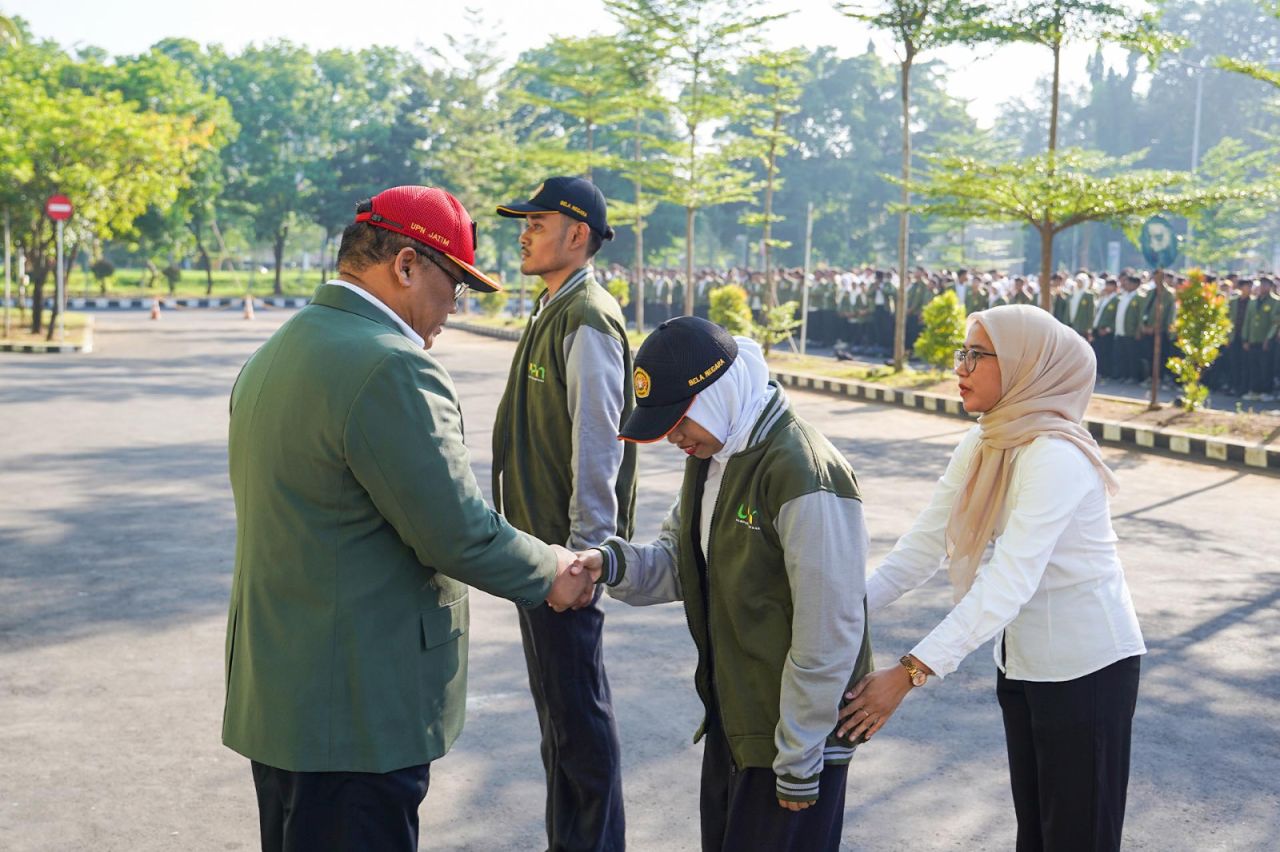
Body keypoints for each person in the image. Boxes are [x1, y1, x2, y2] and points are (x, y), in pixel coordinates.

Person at [223, 185, 593, 852]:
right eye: (453, 282)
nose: (454, 306)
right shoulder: (390, 367)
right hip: (357, 715)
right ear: (404, 265)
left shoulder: (277, 353)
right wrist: (553, 570)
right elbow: (455, 530)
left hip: (285, 700)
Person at [837, 304, 1146, 852]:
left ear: (1028, 365)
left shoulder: (1055, 454)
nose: (961, 367)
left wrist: (909, 672)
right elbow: (922, 548)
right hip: (1023, 663)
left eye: (977, 355)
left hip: (1087, 670)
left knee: (1078, 836)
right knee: (1038, 832)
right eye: (963, 353)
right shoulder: (985, 442)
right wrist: (839, 615)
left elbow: (1008, 581)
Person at [578, 316, 875, 852]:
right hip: (738, 722)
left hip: (790, 741)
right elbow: (681, 559)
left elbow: (829, 630)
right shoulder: (718, 453)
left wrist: (800, 754)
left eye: (678, 420)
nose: (673, 437)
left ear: (716, 393)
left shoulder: (802, 471)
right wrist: (609, 564)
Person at [492, 176, 637, 851]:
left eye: (537, 220)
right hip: (539, 556)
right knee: (561, 720)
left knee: (577, 724)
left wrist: (584, 554)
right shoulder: (556, 306)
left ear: (576, 234)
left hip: (563, 563)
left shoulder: (586, 315)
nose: (523, 230)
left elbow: (596, 443)